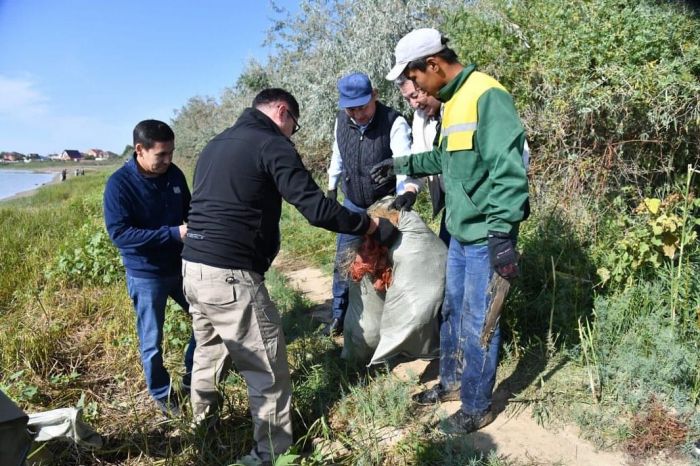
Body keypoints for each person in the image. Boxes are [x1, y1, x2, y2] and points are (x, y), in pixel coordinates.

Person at [181, 88, 396, 464]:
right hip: (231, 276)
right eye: (293, 127)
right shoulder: (269, 143)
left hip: (194, 269)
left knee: (208, 353)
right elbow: (314, 208)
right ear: (282, 111)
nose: (291, 135)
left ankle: (202, 429)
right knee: (266, 371)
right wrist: (367, 223)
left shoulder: (216, 144)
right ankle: (271, 455)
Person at [374, 28, 530, 433]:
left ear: (433, 65)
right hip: (459, 232)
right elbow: (445, 157)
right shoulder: (454, 100)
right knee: (453, 311)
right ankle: (453, 383)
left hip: (484, 236)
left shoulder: (486, 94)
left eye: (413, 79)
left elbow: (508, 172)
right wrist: (400, 165)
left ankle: (477, 405)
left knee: (480, 321)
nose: (414, 87)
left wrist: (501, 236)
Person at [103, 119, 195, 416]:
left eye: (171, 153)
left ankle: (194, 379)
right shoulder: (119, 185)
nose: (168, 160)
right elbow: (121, 235)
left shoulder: (174, 175)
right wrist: (172, 233)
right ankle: (162, 394)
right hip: (145, 275)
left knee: (206, 318)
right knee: (152, 341)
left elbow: (189, 212)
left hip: (181, 267)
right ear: (140, 150)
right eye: (161, 155)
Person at [325, 72, 421, 336]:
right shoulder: (341, 122)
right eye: (351, 109)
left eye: (362, 107)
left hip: (384, 202)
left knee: (389, 261)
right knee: (344, 259)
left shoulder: (394, 122)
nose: (357, 114)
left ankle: (394, 320)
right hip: (353, 202)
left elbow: (404, 162)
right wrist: (332, 186)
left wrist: (403, 199)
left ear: (375, 96)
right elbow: (338, 154)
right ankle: (338, 315)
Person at [395, 74, 450, 246]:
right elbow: (420, 160)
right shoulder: (421, 117)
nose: (413, 104)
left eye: (415, 95)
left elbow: (440, 160)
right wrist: (410, 190)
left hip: (477, 205)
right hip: (453, 204)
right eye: (407, 99)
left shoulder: (455, 110)